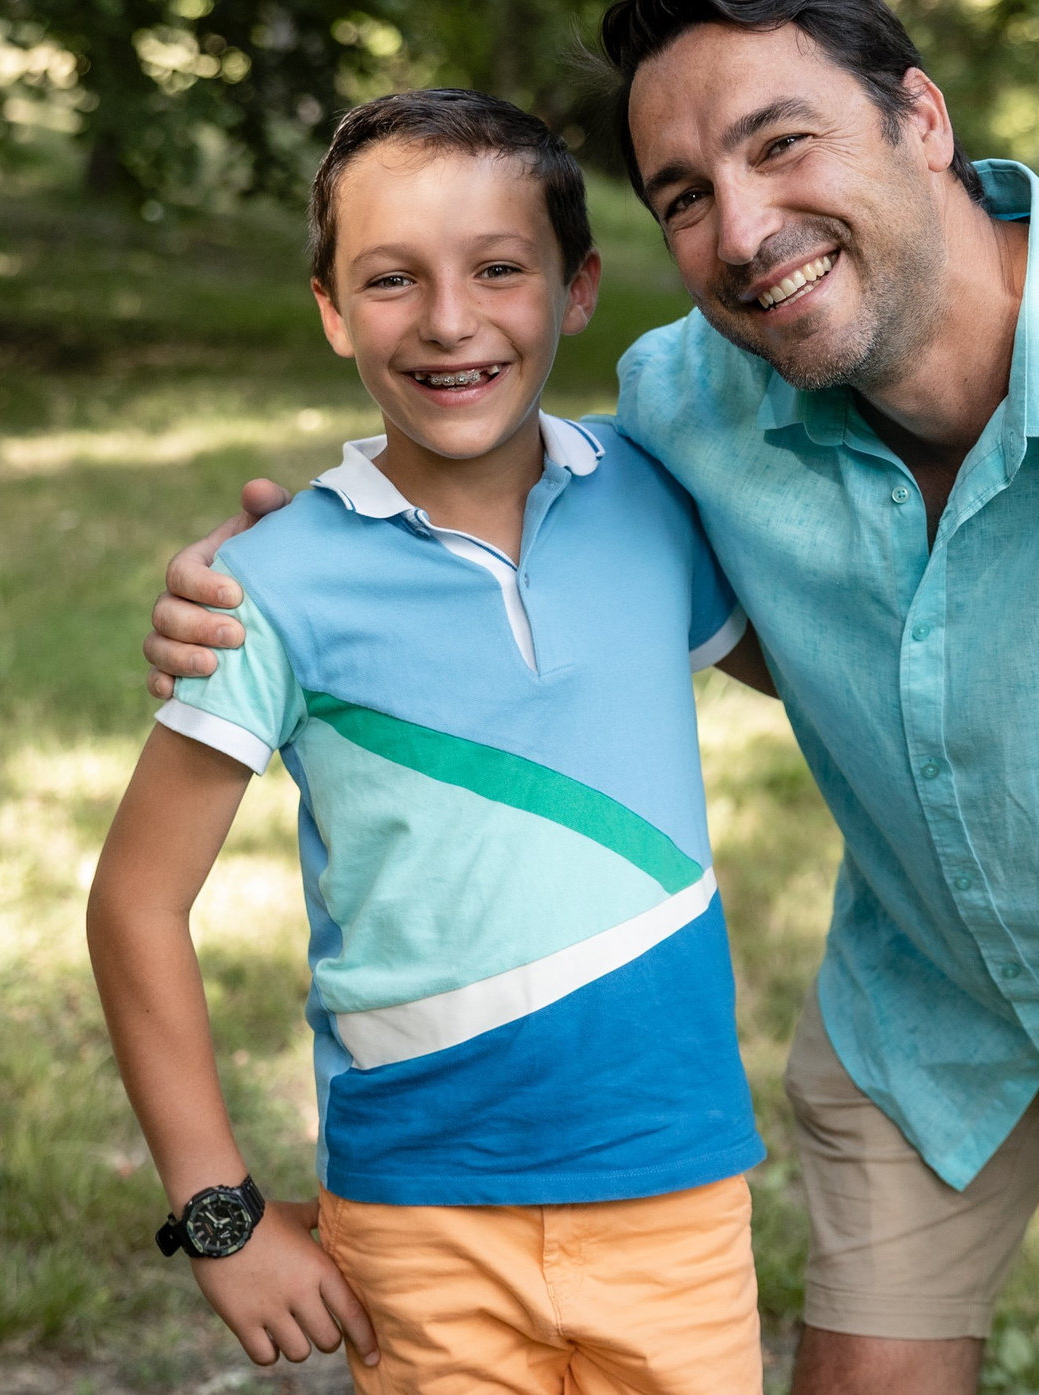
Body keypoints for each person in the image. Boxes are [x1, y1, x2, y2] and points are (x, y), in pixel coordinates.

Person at [147, 0, 1039, 1395]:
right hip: (934, 977)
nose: (741, 230)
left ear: (921, 118)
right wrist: (284, 575)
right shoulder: (688, 399)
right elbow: (508, 501)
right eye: (683, 194)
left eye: (781, 143)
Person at [88, 88, 769, 1395]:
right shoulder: (271, 583)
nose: (450, 321)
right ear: (333, 309)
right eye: (392, 280)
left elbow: (822, 666)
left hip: (675, 1191)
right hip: (419, 1218)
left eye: (499, 269)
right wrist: (221, 1213)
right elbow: (135, 902)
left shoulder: (656, 498)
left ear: (577, 291)